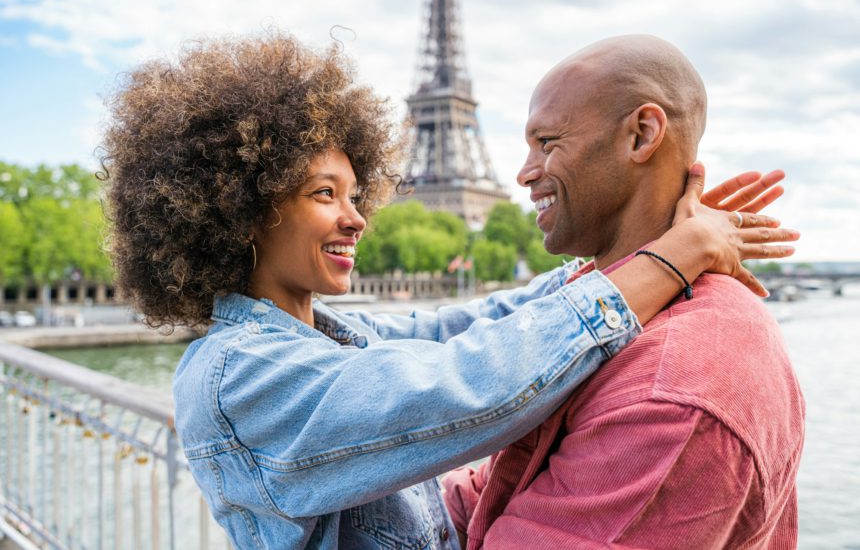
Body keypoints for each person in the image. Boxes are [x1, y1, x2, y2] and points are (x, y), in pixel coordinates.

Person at [100, 33, 797, 549]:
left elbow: (480, 325)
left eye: (355, 192)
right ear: (244, 211)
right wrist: (674, 254)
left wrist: (640, 254)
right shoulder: (236, 376)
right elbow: (470, 380)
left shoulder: (336, 340)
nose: (358, 216)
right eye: (324, 194)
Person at [442, 35, 805, 550]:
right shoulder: (607, 302)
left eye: (547, 142)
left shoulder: (677, 390)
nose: (523, 173)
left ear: (641, 135)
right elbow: (488, 497)